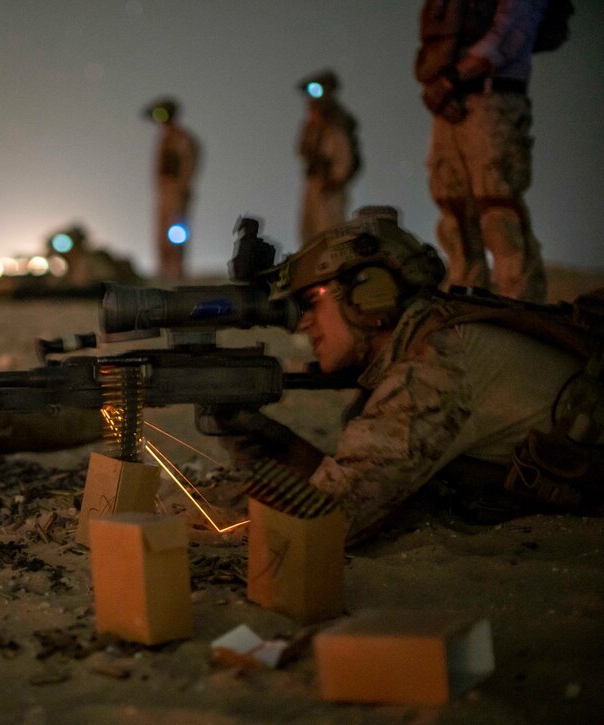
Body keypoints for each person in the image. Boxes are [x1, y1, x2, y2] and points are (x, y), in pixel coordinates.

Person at [227, 206, 600, 542]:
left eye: (311, 302)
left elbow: (330, 521)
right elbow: (365, 482)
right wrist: (274, 444)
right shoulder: (432, 341)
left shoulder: (436, 365)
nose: (302, 324)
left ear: (369, 295)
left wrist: (266, 463)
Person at [415, 0, 550, 302]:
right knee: (455, 213)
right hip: (451, 104)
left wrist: (452, 78)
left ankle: (522, 309)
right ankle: (468, 305)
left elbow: (510, 33)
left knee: (498, 211)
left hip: (492, 100)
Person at [296, 70, 361, 245]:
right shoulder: (312, 124)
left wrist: (335, 179)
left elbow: (344, 156)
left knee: (330, 234)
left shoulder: (337, 122)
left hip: (329, 186)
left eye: (317, 91)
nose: (312, 97)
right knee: (308, 234)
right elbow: (302, 151)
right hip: (314, 182)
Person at [144, 97, 200, 282]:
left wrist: (181, 187)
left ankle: (177, 273)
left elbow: (188, 163)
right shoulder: (165, 138)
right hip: (164, 192)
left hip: (176, 192)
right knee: (162, 235)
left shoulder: (181, 138)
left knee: (176, 234)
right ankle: (164, 272)